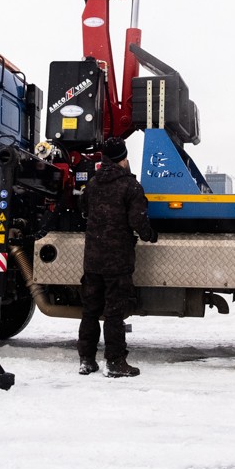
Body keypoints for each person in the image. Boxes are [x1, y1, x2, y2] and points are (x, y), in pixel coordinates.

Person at [77, 136, 157, 378]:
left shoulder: (92, 184)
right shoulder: (130, 186)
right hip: (117, 259)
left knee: (90, 310)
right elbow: (137, 220)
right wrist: (150, 235)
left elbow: (83, 210)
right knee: (113, 311)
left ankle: (87, 360)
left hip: (92, 258)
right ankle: (115, 362)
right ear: (123, 158)